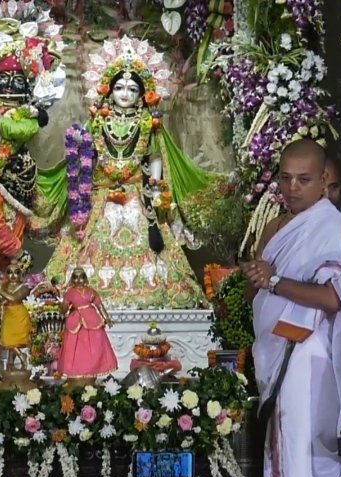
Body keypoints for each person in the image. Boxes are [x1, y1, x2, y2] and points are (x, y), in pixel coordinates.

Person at [240, 140, 341, 477]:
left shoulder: (329, 225)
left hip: (307, 355)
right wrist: (259, 277)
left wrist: (275, 280)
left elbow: (335, 298)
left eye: (304, 179)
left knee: (301, 454)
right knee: (291, 453)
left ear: (323, 183)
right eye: (285, 177)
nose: (292, 187)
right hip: (279, 353)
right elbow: (256, 288)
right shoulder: (278, 225)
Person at [43, 37, 221, 310]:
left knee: (154, 247)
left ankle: (154, 298)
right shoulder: (98, 120)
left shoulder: (149, 122)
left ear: (143, 94)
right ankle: (84, 299)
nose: (125, 94)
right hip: (102, 195)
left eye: (132, 89)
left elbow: (155, 155)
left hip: (139, 193)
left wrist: (155, 184)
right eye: (120, 87)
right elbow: (86, 157)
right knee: (87, 245)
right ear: (108, 89)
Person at [56, 267, 118, 379]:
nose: (79, 280)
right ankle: (76, 370)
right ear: (72, 279)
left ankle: (93, 368)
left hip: (92, 320)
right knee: (75, 348)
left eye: (81, 277)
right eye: (76, 277)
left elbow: (99, 305)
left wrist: (106, 318)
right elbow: (64, 309)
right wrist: (62, 304)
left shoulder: (91, 291)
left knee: (95, 347)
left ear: (85, 278)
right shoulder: (69, 293)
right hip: (75, 322)